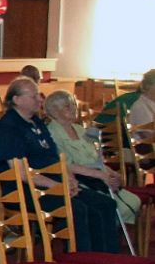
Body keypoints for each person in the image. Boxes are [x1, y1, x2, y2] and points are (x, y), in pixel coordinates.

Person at [0, 77, 120, 254]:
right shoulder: (7, 129)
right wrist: (57, 186)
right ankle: (81, 262)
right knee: (77, 209)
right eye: (34, 96)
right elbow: (22, 173)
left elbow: (56, 158)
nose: (40, 99)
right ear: (17, 100)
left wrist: (69, 179)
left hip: (54, 182)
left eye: (39, 95)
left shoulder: (36, 122)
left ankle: (106, 259)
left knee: (104, 203)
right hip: (24, 189)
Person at [45, 89, 143, 227]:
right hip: (80, 181)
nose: (73, 108)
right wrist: (101, 176)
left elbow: (96, 158)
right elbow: (66, 165)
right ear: (54, 112)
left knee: (133, 201)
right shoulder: (52, 133)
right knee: (112, 206)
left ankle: (110, 231)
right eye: (67, 106)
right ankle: (106, 232)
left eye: (73, 104)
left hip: (98, 176)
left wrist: (111, 174)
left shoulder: (80, 129)